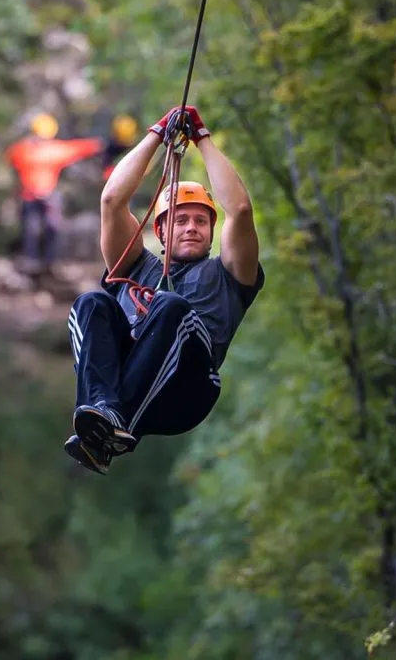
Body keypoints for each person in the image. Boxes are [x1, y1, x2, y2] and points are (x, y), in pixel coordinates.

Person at [63, 105, 265, 474]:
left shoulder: (229, 274)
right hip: (129, 379)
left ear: (211, 231)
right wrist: (156, 134)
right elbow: (111, 200)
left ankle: (118, 427)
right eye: (181, 220)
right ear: (160, 231)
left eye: (201, 221)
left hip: (186, 391)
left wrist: (201, 138)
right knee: (91, 301)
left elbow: (239, 209)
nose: (191, 227)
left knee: (171, 307)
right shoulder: (137, 265)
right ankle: (101, 413)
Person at [5, 113, 103, 273]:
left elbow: (76, 148)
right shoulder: (29, 150)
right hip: (31, 196)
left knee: (49, 228)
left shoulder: (34, 149)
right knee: (33, 229)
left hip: (46, 196)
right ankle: (35, 261)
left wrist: (97, 145)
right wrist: (98, 144)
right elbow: (76, 148)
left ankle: (48, 262)